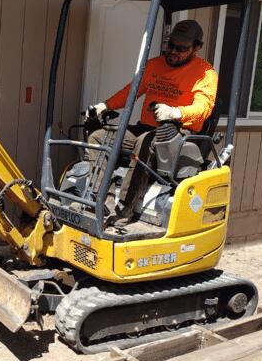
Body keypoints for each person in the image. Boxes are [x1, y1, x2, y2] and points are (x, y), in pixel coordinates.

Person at [87, 19, 218, 225]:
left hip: (178, 134)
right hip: (147, 128)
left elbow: (203, 108)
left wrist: (175, 112)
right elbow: (131, 92)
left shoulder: (205, 73)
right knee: (99, 137)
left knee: (145, 143)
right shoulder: (154, 65)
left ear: (196, 49)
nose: (173, 51)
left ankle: (124, 211)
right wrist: (105, 106)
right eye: (171, 45)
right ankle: (102, 199)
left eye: (181, 48)